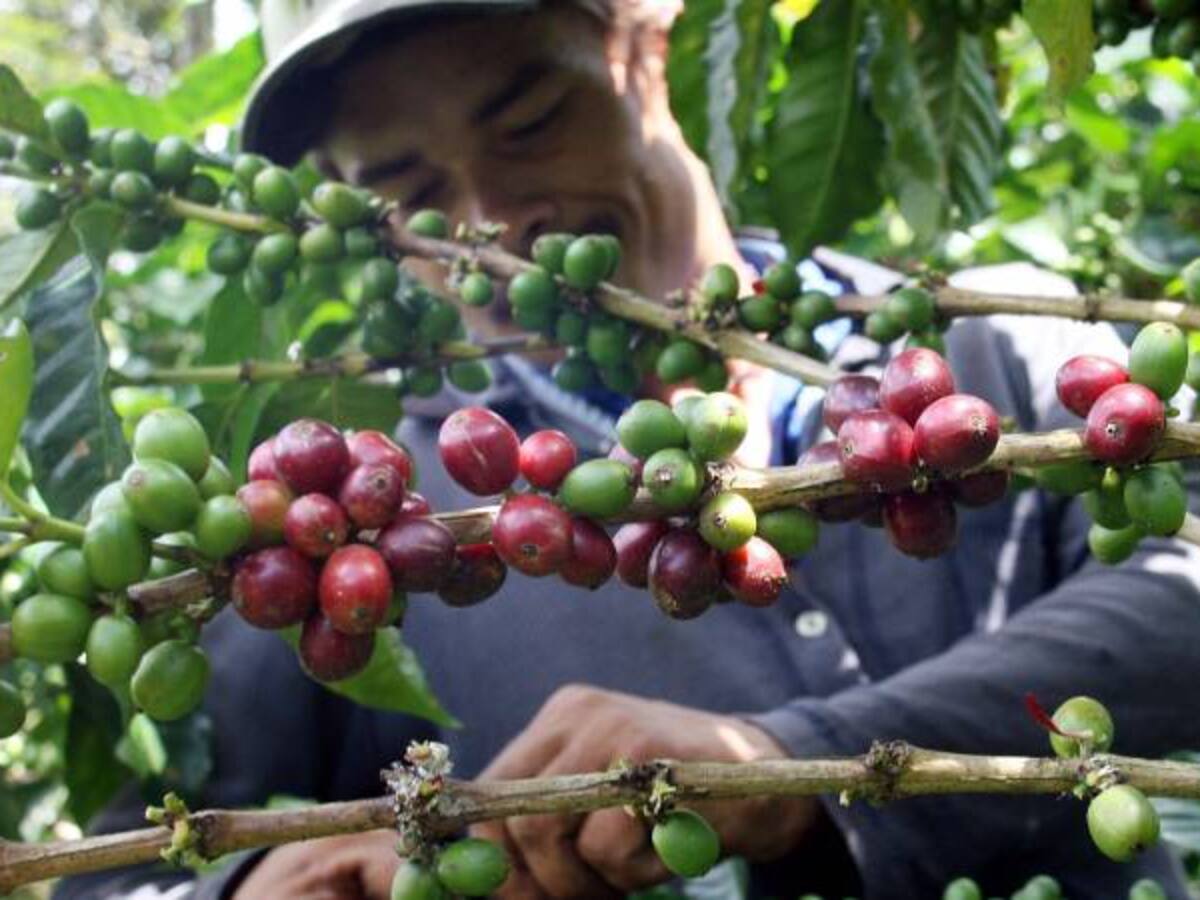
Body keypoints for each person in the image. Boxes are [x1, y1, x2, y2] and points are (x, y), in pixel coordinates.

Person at [55, 2, 1200, 899]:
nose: (491, 222)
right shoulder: (392, 521)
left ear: (651, 46)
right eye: (409, 195)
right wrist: (244, 884)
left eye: (530, 123)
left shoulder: (995, 350)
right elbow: (122, 863)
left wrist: (791, 759)